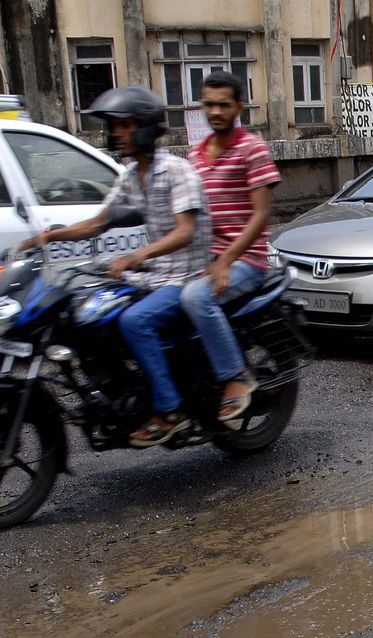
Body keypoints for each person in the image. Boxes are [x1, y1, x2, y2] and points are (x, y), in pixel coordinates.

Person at [19, 86, 210, 447]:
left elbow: (186, 231)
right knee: (86, 312)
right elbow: (98, 222)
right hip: (155, 276)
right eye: (115, 126)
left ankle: (170, 412)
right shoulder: (131, 175)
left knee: (134, 321)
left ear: (145, 127)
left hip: (186, 276)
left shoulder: (177, 170)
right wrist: (49, 237)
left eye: (124, 125)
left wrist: (139, 255)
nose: (117, 133)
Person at [181, 70, 282, 423]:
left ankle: (236, 378)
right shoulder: (195, 156)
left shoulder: (252, 149)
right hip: (207, 259)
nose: (215, 112)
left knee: (197, 298)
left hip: (246, 261)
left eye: (223, 105)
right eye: (209, 104)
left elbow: (261, 215)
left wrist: (225, 260)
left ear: (239, 107)